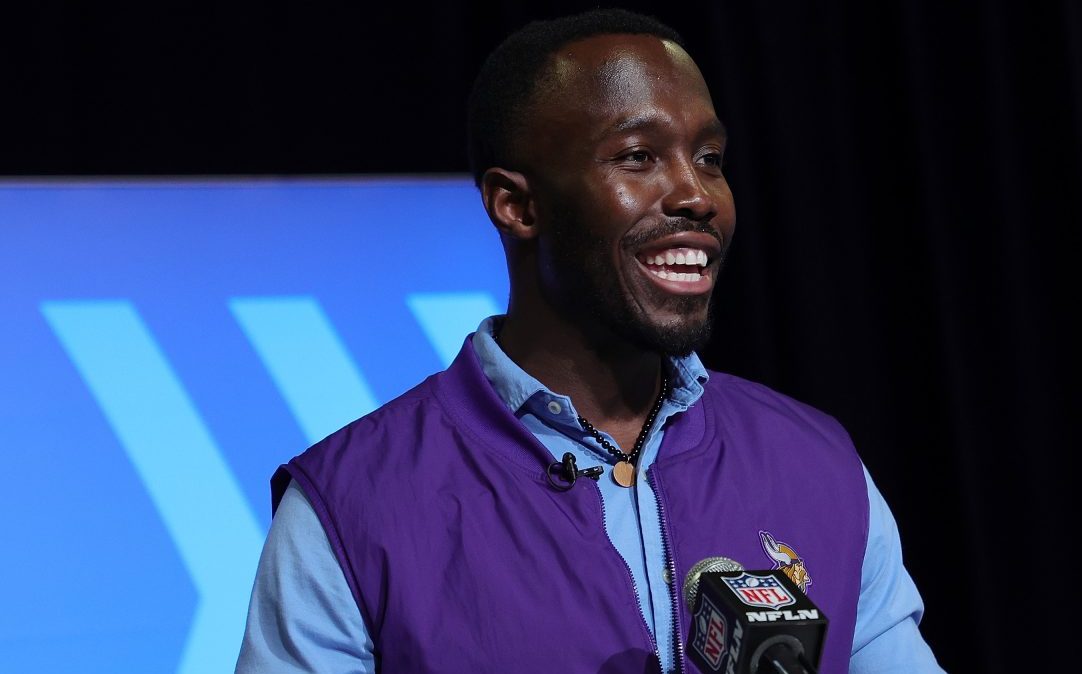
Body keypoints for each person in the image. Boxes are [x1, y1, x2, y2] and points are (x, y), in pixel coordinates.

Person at [236, 8, 943, 674]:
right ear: (517, 205)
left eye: (709, 157)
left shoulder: (818, 464)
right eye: (638, 157)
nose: (698, 195)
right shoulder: (353, 503)